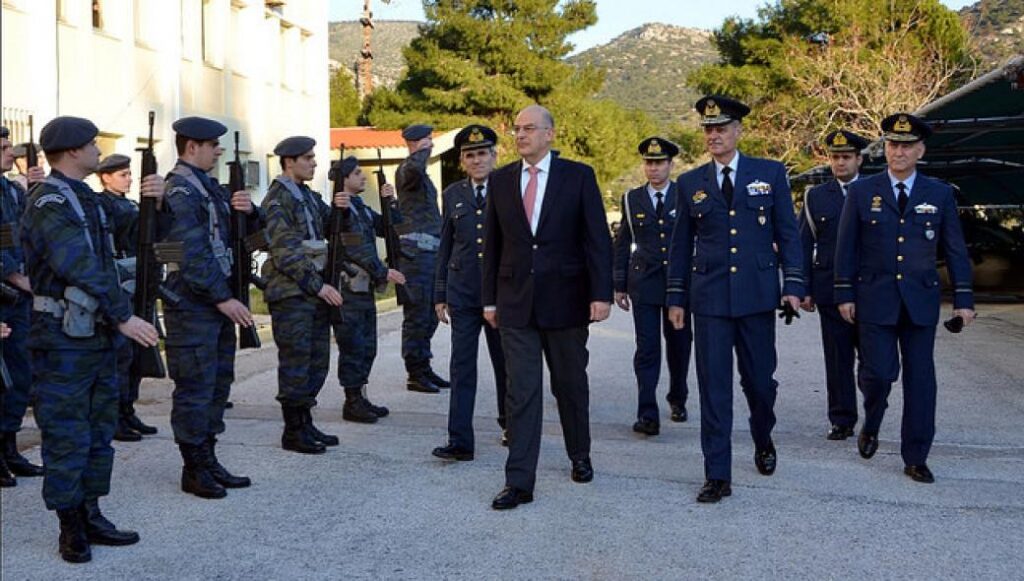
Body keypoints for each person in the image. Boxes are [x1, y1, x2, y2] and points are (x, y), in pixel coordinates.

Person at [23, 116, 162, 562]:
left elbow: (138, 229)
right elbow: (78, 264)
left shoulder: (89, 198)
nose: (99, 150)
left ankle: (92, 511)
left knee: (100, 429)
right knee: (67, 433)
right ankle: (70, 526)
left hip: (96, 336)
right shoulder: (48, 203)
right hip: (63, 340)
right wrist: (123, 316)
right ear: (72, 152)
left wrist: (158, 203)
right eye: (92, 144)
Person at [667, 95, 805, 503]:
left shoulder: (770, 173)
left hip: (758, 297)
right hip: (708, 299)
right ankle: (717, 473)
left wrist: (793, 286)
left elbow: (788, 234)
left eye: (721, 128)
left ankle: (763, 437)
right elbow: (680, 247)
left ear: (738, 131)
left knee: (760, 384)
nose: (713, 135)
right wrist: (677, 298)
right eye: (708, 129)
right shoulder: (690, 183)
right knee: (713, 388)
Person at [482, 105, 613, 510]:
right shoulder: (501, 180)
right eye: (517, 129)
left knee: (569, 385)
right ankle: (519, 481)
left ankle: (580, 453)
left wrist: (601, 294)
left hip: (567, 300)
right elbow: (493, 245)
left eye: (529, 129)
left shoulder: (578, 176)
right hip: (516, 303)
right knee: (521, 392)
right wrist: (489, 299)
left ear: (550, 134)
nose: (520, 135)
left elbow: (597, 240)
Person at [835, 113, 975, 484]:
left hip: (920, 302)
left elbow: (956, 250)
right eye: (893, 145)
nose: (899, 152)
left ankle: (916, 456)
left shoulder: (940, 193)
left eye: (907, 146)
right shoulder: (863, 192)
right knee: (878, 375)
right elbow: (846, 247)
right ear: (885, 149)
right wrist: (844, 293)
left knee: (920, 381)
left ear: (920, 150)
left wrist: (964, 299)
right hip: (874, 300)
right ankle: (873, 420)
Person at [161, 116, 263, 499]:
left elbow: (252, 236)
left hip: (215, 306)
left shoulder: (210, 189)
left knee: (218, 384)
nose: (218, 151)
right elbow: (192, 254)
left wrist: (250, 211)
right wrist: (223, 297)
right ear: (191, 147)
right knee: (195, 388)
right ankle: (193, 467)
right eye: (211, 145)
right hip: (193, 307)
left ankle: (209, 458)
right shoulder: (180, 192)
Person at [261, 136, 345, 454]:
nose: (314, 163)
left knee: (316, 360)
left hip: (310, 292)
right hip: (292, 293)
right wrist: (318, 286)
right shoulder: (278, 199)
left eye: (313, 157)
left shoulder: (307, 196)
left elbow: (329, 224)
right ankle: (293, 430)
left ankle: (306, 422)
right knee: (296, 362)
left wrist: (341, 203)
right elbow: (286, 253)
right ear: (289, 162)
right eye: (307, 158)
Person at [431, 124, 508, 462]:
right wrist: (439, 293)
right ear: (462, 161)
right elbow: (445, 244)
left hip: (500, 295)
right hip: (462, 293)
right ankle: (460, 439)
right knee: (462, 367)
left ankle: (512, 426)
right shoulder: (452, 194)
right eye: (469, 155)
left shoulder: (510, 189)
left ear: (494, 156)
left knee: (506, 365)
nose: (476, 160)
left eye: (482, 153)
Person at [613, 136, 692, 437]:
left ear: (670, 165)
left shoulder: (684, 195)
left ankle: (678, 397)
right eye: (649, 162)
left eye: (659, 163)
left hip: (678, 284)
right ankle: (647, 413)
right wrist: (619, 284)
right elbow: (623, 242)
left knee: (680, 345)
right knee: (647, 349)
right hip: (643, 281)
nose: (654, 168)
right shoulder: (632, 199)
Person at [798, 130, 870, 441]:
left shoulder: (874, 191)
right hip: (828, 289)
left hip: (869, 290)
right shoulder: (816, 196)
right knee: (838, 359)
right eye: (835, 157)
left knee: (873, 362)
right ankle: (841, 419)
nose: (840, 163)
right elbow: (803, 243)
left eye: (846, 157)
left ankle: (874, 414)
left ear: (859, 159)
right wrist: (803, 288)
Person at [330, 156, 406, 423]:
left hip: (363, 289)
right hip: (348, 288)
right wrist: (383, 271)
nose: (363, 177)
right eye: (357, 173)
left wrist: (390, 203)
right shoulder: (340, 211)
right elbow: (356, 248)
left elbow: (391, 229)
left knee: (367, 346)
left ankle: (360, 396)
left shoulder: (359, 206)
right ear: (344, 179)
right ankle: (352, 401)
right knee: (353, 345)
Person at [95, 153, 160, 442]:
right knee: (121, 354)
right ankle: (116, 415)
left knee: (138, 352)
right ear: (105, 177)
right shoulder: (102, 204)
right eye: (122, 174)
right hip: (121, 278)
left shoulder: (131, 203)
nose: (129, 179)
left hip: (141, 277)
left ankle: (129, 408)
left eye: (129, 174)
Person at [0, 126, 45, 482]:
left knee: (18, 373)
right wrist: (15, 276)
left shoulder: (10, 190)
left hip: (16, 297)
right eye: (3, 148)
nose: (10, 154)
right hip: (7, 290)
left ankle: (9, 446)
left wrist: (34, 190)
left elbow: (22, 232)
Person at [394, 124, 448, 393]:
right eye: (427, 140)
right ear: (415, 143)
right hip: (415, 256)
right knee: (417, 314)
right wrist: (421, 152)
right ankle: (414, 372)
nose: (432, 144)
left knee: (430, 313)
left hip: (431, 253)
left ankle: (424, 367)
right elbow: (414, 169)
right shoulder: (408, 170)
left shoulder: (420, 175)